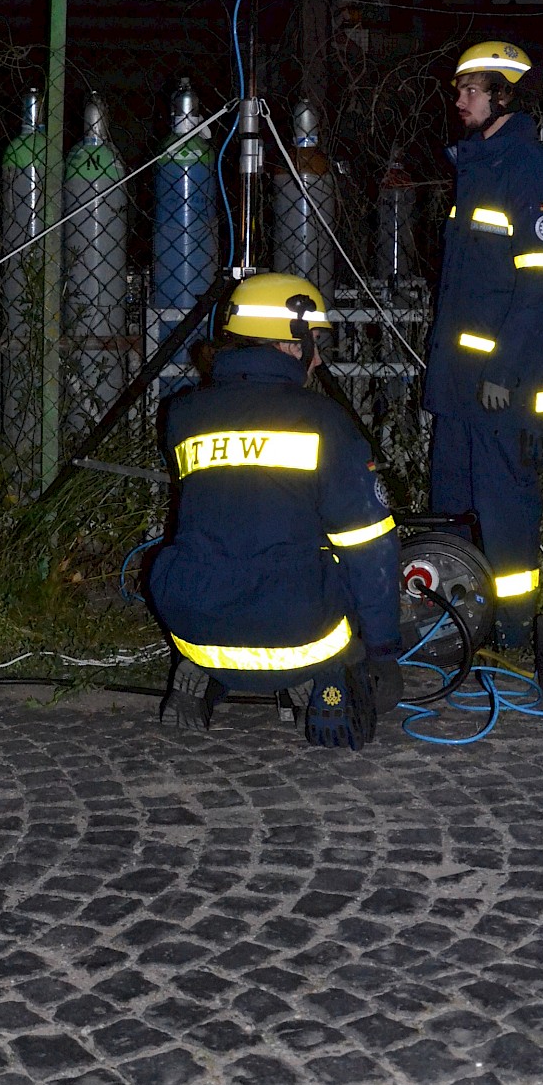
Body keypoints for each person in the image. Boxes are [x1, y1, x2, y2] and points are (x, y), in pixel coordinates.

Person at [148, 273, 403, 750]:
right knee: (344, 552)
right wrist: (384, 650)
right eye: (315, 344)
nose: (319, 359)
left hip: (194, 620)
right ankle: (325, 682)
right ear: (290, 346)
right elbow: (370, 548)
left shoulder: (182, 415)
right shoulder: (323, 421)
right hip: (295, 629)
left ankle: (207, 672)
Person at [424, 40, 543, 648]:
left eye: (471, 90)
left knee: (507, 522)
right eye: (459, 88)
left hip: (503, 393)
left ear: (504, 96)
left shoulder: (532, 172)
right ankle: (455, 629)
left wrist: (503, 371)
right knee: (452, 510)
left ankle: (514, 637)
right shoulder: (477, 168)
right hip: (462, 387)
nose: (458, 99)